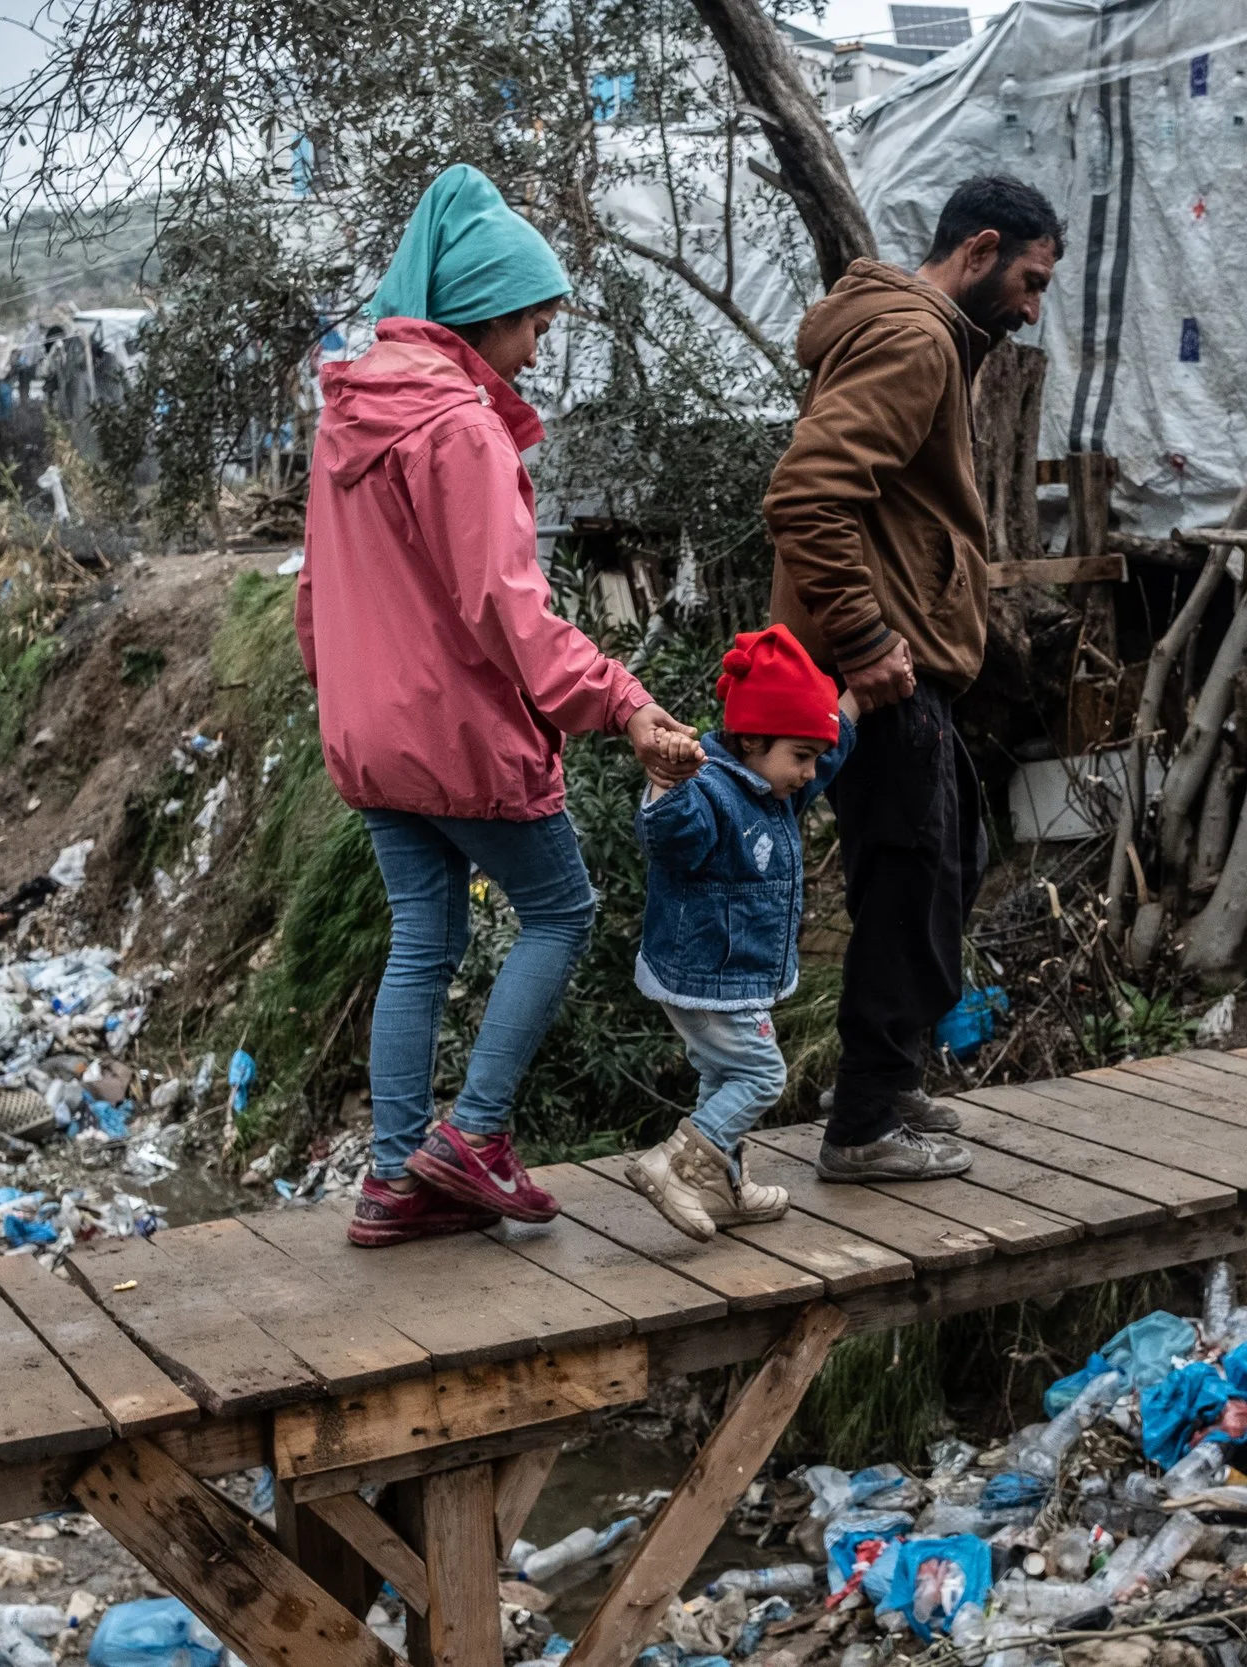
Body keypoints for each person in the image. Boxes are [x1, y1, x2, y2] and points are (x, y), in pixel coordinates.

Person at [299, 163, 706, 1248]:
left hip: (369, 737)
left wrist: (346, 701)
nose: (535, 348)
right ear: (480, 313)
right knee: (563, 911)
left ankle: (393, 1179)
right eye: (531, 322)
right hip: (457, 735)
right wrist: (620, 702)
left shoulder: (347, 419)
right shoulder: (459, 427)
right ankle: (473, 1134)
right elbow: (506, 608)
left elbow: (313, 598)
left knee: (419, 939)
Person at [764, 173, 1065, 1182]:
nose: (1032, 307)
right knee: (914, 878)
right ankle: (860, 1123)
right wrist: (862, 636)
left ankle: (886, 1084)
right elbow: (806, 491)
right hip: (880, 674)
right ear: (978, 250)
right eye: (1029, 278)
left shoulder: (933, 340)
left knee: (949, 859)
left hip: (896, 668)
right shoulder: (914, 338)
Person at [625, 625, 855, 1240]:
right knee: (761, 1076)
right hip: (706, 976)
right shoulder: (707, 791)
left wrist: (857, 698)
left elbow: (826, 752)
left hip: (730, 977)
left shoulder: (771, 787)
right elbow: (669, 839)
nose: (809, 773)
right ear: (752, 738)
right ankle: (674, 1164)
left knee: (724, 1077)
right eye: (800, 757)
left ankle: (720, 1185)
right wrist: (666, 784)